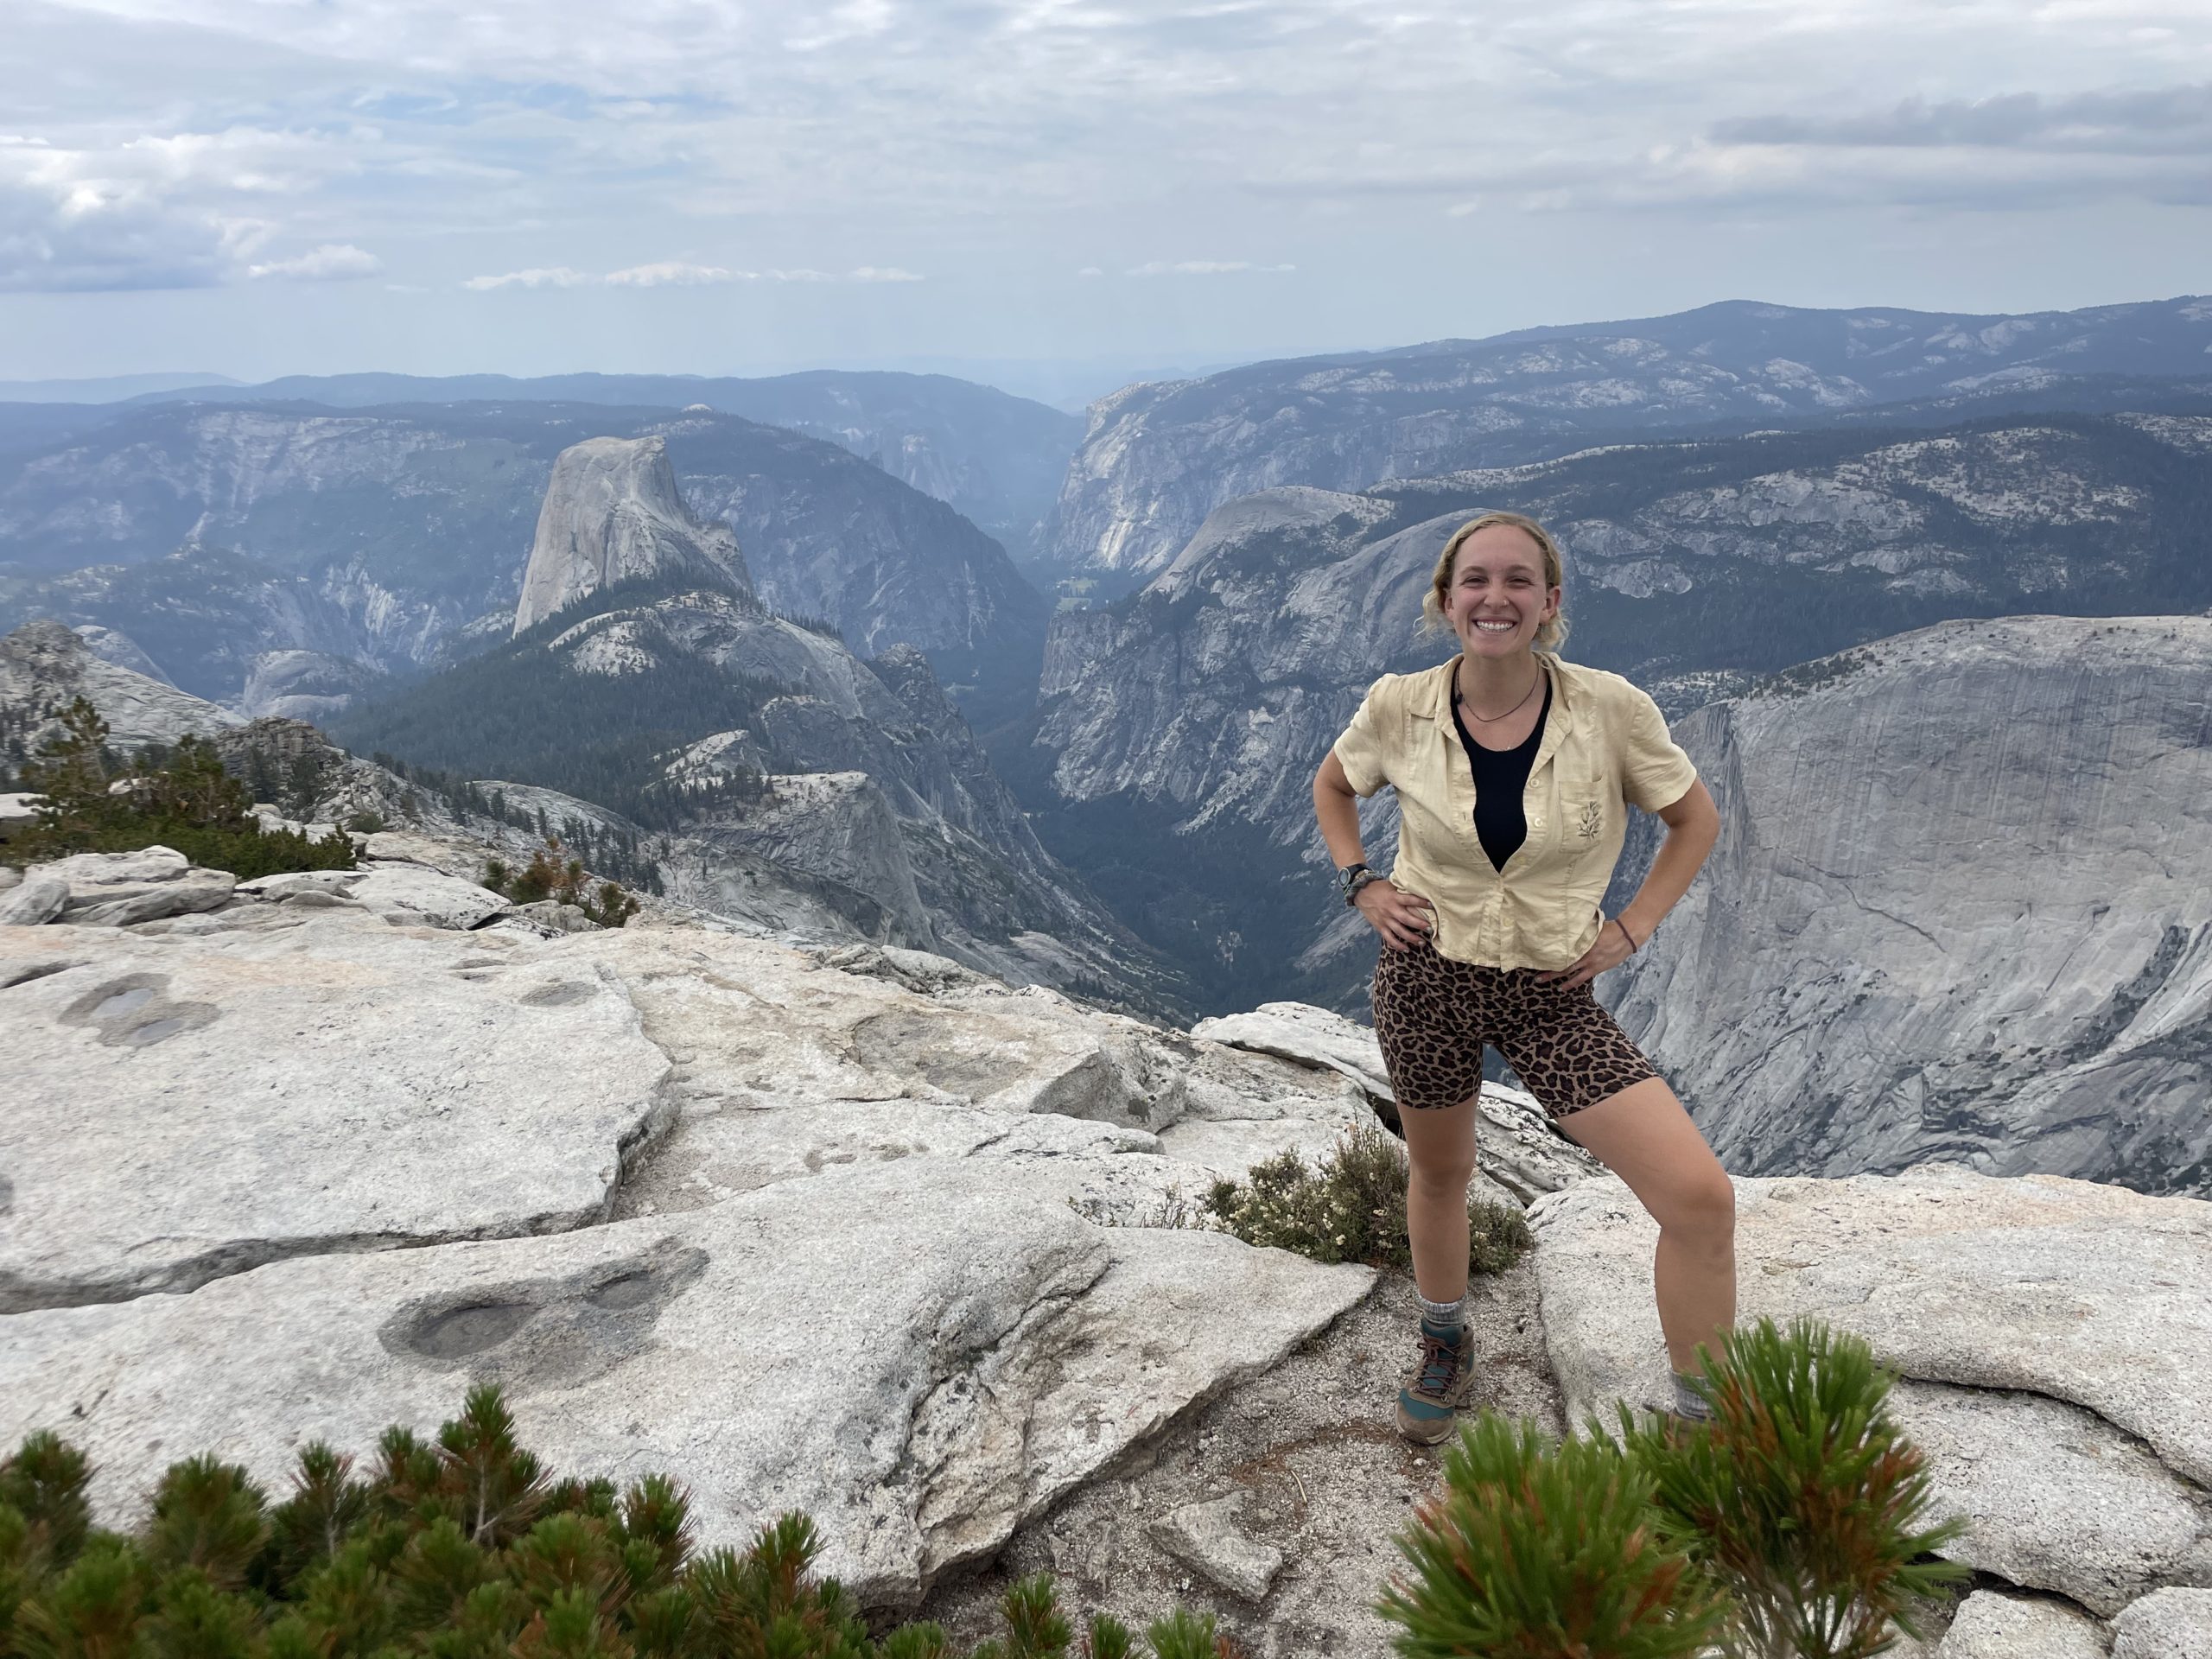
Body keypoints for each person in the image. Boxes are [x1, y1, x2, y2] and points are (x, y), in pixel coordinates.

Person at [1312, 510, 1732, 1445]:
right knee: (1441, 1172)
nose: (1493, 598)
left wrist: (1632, 928)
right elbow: (1333, 785)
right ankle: (1445, 1343)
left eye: (1516, 582)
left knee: (1699, 1198)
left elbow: (1694, 819)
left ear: (1549, 603)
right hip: (1426, 984)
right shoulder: (1399, 706)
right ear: (1445, 599)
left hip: (1551, 996)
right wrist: (1361, 883)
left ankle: (1704, 1424)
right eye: (1474, 580)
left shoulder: (1610, 711)